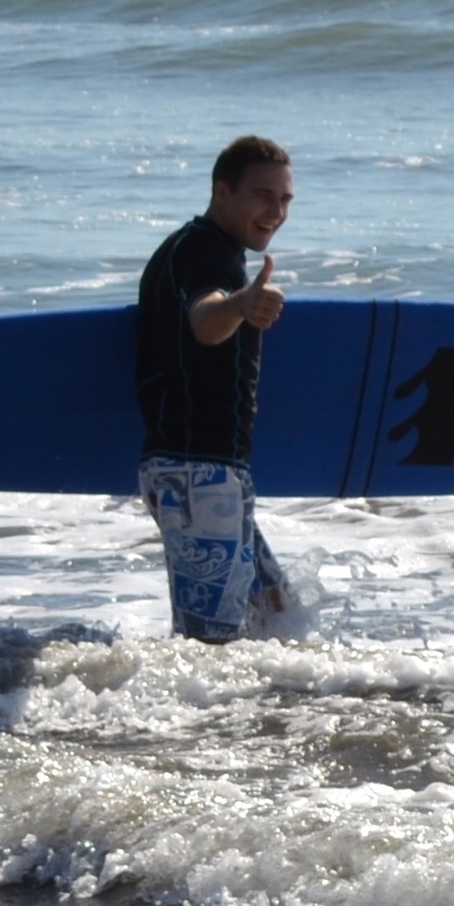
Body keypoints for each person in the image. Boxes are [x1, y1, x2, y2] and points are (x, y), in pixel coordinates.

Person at [136, 136, 293, 643]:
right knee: (209, 645)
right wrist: (241, 305)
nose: (276, 212)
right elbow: (204, 319)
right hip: (197, 472)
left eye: (285, 199)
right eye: (263, 196)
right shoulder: (210, 253)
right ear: (222, 191)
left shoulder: (193, 248)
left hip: (209, 470)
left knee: (277, 613)